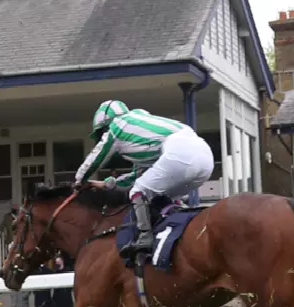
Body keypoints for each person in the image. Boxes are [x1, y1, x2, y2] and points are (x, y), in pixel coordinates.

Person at [74, 100, 214, 256]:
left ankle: (145, 237)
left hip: (180, 153)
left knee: (138, 191)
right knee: (163, 196)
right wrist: (105, 184)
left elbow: (95, 158)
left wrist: (79, 180)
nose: (102, 137)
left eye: (101, 133)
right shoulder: (143, 130)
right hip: (205, 158)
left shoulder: (117, 125)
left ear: (107, 124)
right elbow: (136, 175)